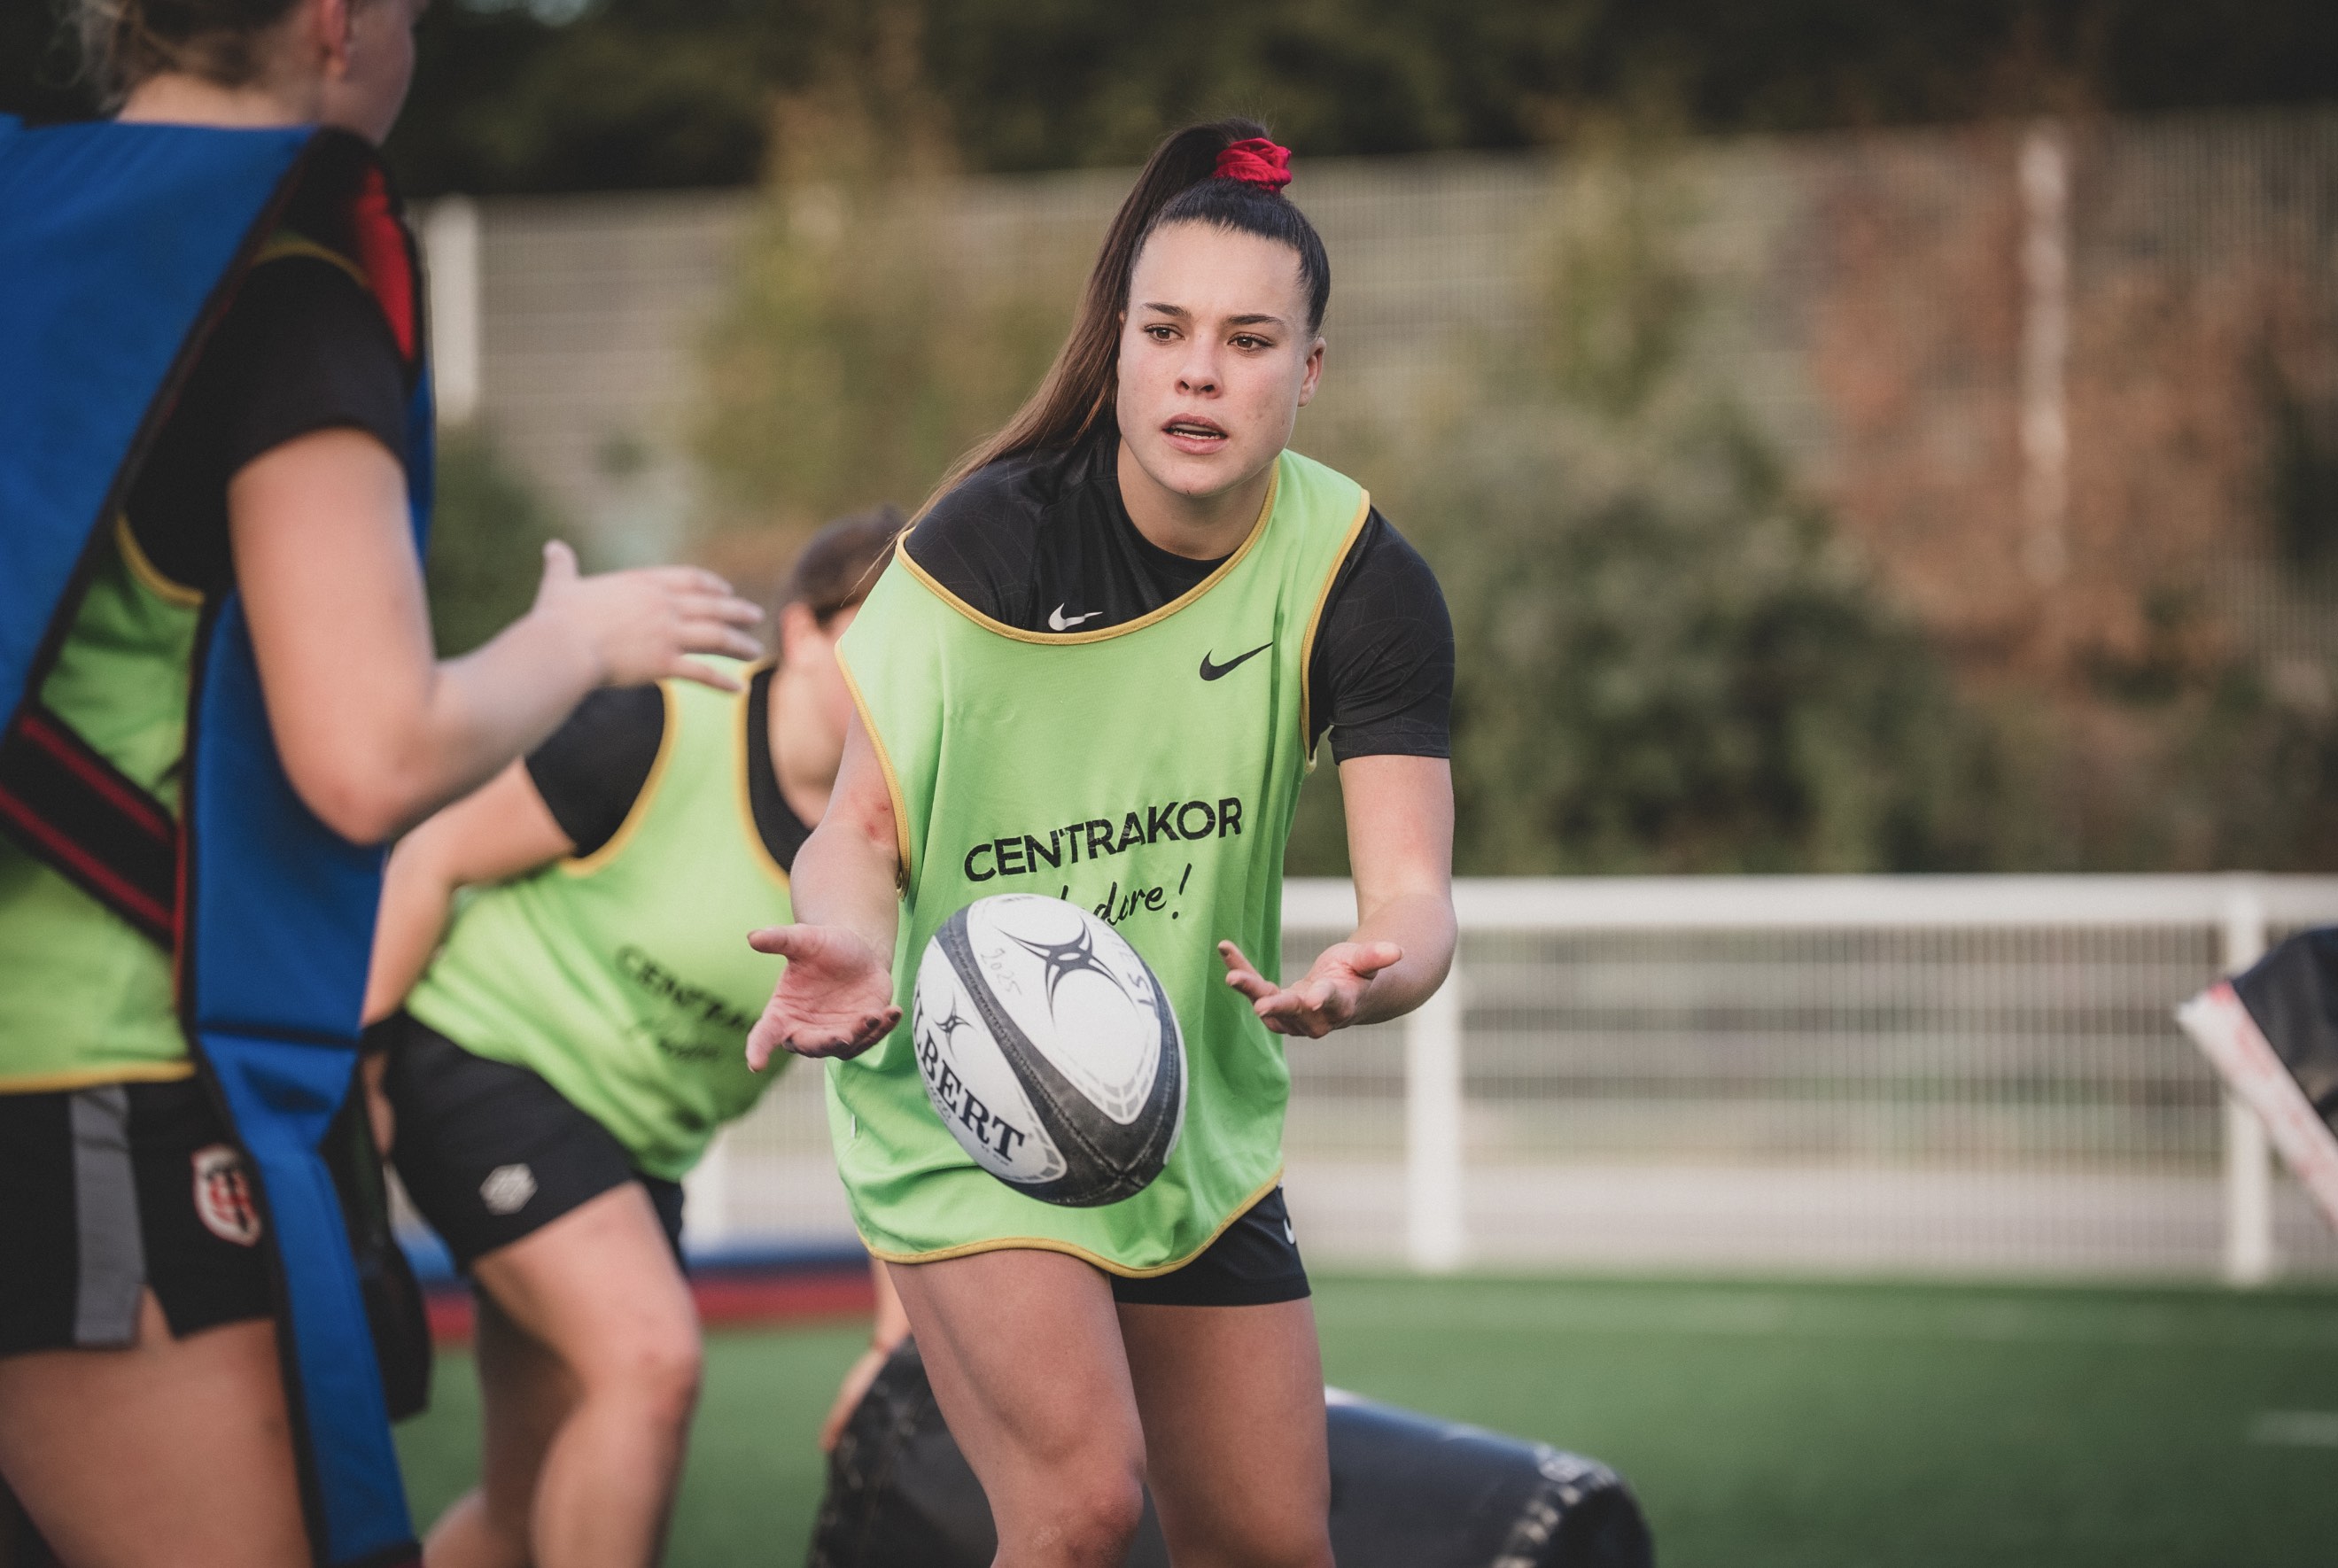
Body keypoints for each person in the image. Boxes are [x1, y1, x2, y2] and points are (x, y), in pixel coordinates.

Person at [0, 3, 765, 1564]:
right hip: (92, 1081)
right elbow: (372, 757)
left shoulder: (28, 220)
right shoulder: (281, 280)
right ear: (337, 24)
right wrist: (574, 640)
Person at [746, 122, 1459, 1568]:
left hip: (1189, 1122)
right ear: (1121, 348)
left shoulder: (1358, 580)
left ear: (1308, 371)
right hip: (963, 1094)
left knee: (1271, 1547)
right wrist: (851, 941)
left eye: (1249, 339)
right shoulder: (987, 541)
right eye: (1166, 330)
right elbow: (858, 833)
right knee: (1077, 1511)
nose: (1200, 369)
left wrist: (1371, 973)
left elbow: (1414, 900)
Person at [364, 508, 910, 1568]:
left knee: (529, 1513)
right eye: (877, 630)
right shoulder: (662, 728)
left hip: (632, 1155)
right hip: (480, 1062)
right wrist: (363, 1078)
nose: (903, 671)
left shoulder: (896, 843)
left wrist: (893, 1338)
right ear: (801, 632)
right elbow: (428, 856)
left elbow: (898, 1100)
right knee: (650, 1361)